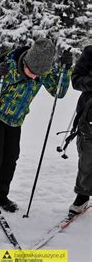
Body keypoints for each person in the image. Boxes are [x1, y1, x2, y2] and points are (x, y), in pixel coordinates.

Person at [0, 38, 73, 216]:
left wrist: (66, 69)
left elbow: (59, 92)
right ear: (25, 62)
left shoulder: (42, 72)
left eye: (37, 75)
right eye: (31, 72)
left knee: (11, 157)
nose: (34, 76)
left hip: (16, 119)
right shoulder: (9, 68)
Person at [68, 45, 92, 215]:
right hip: (89, 114)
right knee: (87, 158)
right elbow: (76, 80)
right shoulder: (90, 52)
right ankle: (83, 195)